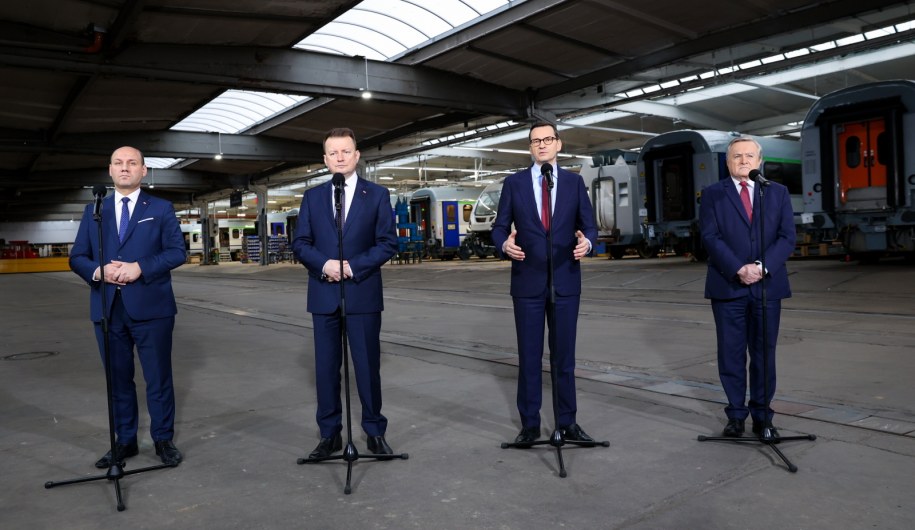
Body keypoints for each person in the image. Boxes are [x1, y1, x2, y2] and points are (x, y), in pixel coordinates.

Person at [70, 146, 187, 467]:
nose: (125, 168)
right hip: (108, 308)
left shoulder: (161, 208)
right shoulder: (94, 210)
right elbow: (77, 256)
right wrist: (98, 271)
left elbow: (178, 252)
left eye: (132, 163)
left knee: (158, 377)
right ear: (109, 170)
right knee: (118, 379)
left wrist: (141, 267)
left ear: (143, 171)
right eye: (119, 163)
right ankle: (125, 441)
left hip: (152, 306)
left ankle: (163, 439)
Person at [292, 128, 398, 458]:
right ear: (325, 160)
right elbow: (300, 243)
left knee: (367, 367)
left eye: (345, 151)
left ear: (357, 155)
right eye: (333, 153)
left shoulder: (377, 195)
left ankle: (374, 432)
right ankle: (329, 435)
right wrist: (325, 264)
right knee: (325, 369)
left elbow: (388, 243)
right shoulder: (312, 197)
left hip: (362, 292)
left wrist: (352, 266)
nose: (339, 157)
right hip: (323, 294)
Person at [492, 122, 598, 444]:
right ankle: (529, 425)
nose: (542, 145)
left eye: (547, 139)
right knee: (529, 357)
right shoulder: (514, 184)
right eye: (535, 141)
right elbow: (499, 227)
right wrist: (503, 245)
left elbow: (589, 226)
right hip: (527, 283)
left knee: (564, 358)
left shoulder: (574, 182)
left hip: (565, 281)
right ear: (530, 148)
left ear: (558, 144)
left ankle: (567, 422)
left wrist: (588, 244)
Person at [699, 136, 796, 440]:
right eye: (737, 156)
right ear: (727, 162)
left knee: (764, 354)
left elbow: (787, 237)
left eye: (749, 156)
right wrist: (739, 269)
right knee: (730, 354)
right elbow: (710, 237)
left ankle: (763, 417)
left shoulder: (777, 193)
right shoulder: (713, 194)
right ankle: (736, 416)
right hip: (728, 285)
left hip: (768, 286)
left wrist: (762, 267)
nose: (743, 161)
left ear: (759, 161)